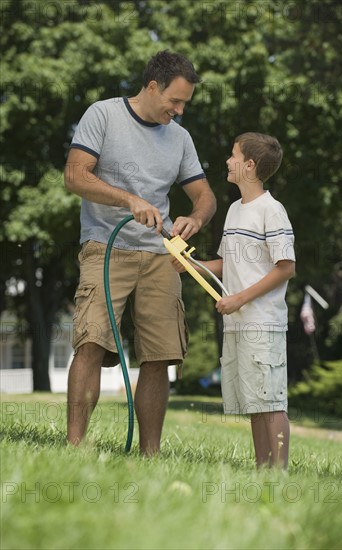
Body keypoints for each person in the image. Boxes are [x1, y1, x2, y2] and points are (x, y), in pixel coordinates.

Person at [64, 50, 216, 455]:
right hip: (104, 247)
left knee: (160, 355)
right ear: (152, 87)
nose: (179, 111)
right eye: (175, 101)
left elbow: (204, 196)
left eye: (185, 103)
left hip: (160, 256)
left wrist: (195, 220)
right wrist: (128, 199)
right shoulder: (104, 115)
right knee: (91, 341)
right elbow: (75, 175)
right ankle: (75, 446)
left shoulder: (179, 138)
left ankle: (151, 454)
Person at [173, 132, 295, 468]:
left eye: (234, 155)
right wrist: (187, 265)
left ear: (250, 165)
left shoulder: (272, 211)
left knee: (270, 402)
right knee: (254, 403)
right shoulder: (234, 211)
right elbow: (229, 264)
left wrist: (239, 299)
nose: (228, 160)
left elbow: (285, 267)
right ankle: (262, 470)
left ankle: (279, 474)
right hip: (237, 323)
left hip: (263, 322)